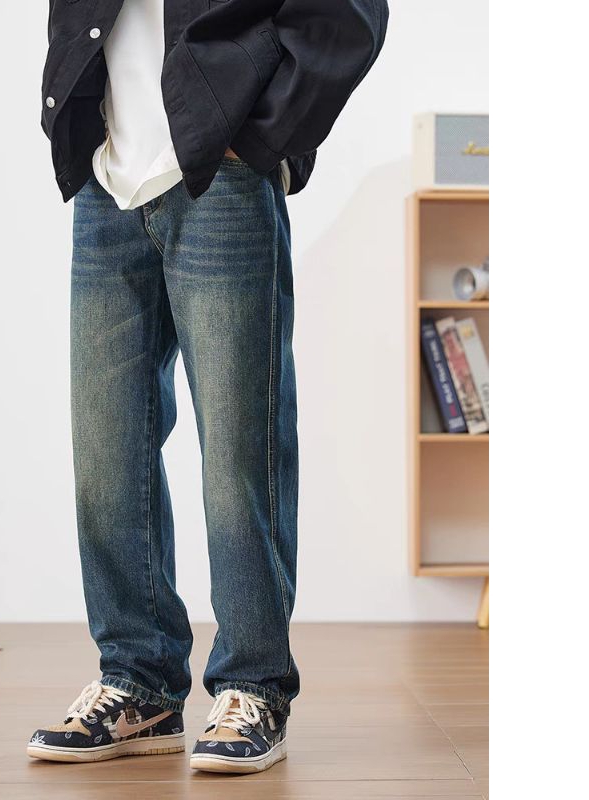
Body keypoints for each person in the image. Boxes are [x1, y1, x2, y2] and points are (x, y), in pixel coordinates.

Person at [27, 0, 387, 774]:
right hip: (105, 180)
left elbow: (349, 15)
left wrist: (260, 138)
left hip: (221, 175)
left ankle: (254, 685)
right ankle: (139, 682)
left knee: (238, 451)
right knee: (105, 453)